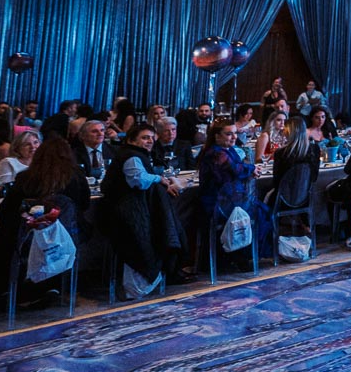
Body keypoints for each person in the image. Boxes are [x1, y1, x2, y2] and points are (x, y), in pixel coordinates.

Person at [0, 135, 91, 304]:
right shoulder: (76, 176)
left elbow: (6, 211)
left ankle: (9, 289)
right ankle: (55, 285)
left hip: (27, 236)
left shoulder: (25, 177)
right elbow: (84, 205)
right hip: (66, 237)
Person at [99, 124, 189, 291]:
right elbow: (138, 180)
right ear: (132, 139)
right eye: (144, 137)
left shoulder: (138, 155)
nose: (149, 141)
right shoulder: (131, 156)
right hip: (126, 215)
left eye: (151, 138)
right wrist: (158, 179)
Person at [197, 120, 271, 261]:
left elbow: (239, 167)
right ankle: (242, 257)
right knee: (262, 213)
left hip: (231, 201)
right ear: (217, 136)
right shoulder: (216, 153)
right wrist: (252, 169)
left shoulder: (228, 150)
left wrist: (250, 170)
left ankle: (246, 256)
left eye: (235, 133)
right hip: (217, 204)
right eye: (229, 134)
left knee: (264, 211)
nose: (234, 137)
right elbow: (235, 169)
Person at [270, 115, 319, 233]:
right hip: (306, 198)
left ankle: (269, 236)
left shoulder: (281, 153)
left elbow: (276, 181)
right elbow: (314, 177)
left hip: (283, 200)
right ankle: (306, 224)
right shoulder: (314, 149)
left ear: (290, 132)